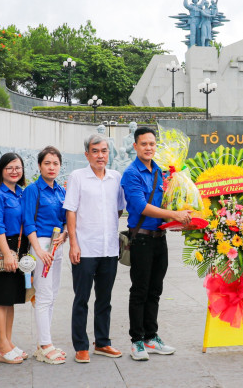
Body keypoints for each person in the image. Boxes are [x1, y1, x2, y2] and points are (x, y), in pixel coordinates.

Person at [121, 127, 191, 361]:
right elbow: (141, 206)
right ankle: (137, 341)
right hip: (140, 239)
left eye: (152, 144)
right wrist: (175, 213)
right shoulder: (132, 173)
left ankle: (152, 337)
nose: (149, 148)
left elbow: (169, 200)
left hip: (160, 239)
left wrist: (183, 213)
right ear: (136, 147)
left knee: (155, 290)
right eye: (144, 144)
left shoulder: (160, 171)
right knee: (139, 290)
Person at [65, 134, 126, 363]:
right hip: (85, 248)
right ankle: (80, 346)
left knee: (104, 298)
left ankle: (102, 342)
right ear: (87, 154)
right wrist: (73, 243)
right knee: (81, 298)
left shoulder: (116, 177)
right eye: (95, 151)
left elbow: (119, 209)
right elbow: (70, 210)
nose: (100, 155)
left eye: (104, 151)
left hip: (109, 248)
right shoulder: (77, 177)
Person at [23, 146, 68, 365]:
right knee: (42, 296)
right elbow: (28, 221)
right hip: (40, 246)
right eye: (47, 163)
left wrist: (66, 234)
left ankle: (44, 343)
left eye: (55, 163)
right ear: (39, 165)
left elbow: (66, 220)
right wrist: (38, 250)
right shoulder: (33, 190)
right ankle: (45, 345)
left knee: (52, 296)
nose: (51, 167)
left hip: (56, 246)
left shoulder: (61, 191)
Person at [0, 152, 29, 364]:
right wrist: (6, 254)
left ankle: (8, 342)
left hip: (19, 248)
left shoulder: (21, 193)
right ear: (1, 170)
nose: (14, 171)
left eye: (18, 167)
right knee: (1, 300)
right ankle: (1, 346)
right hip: (4, 246)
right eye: (10, 167)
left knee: (10, 299)